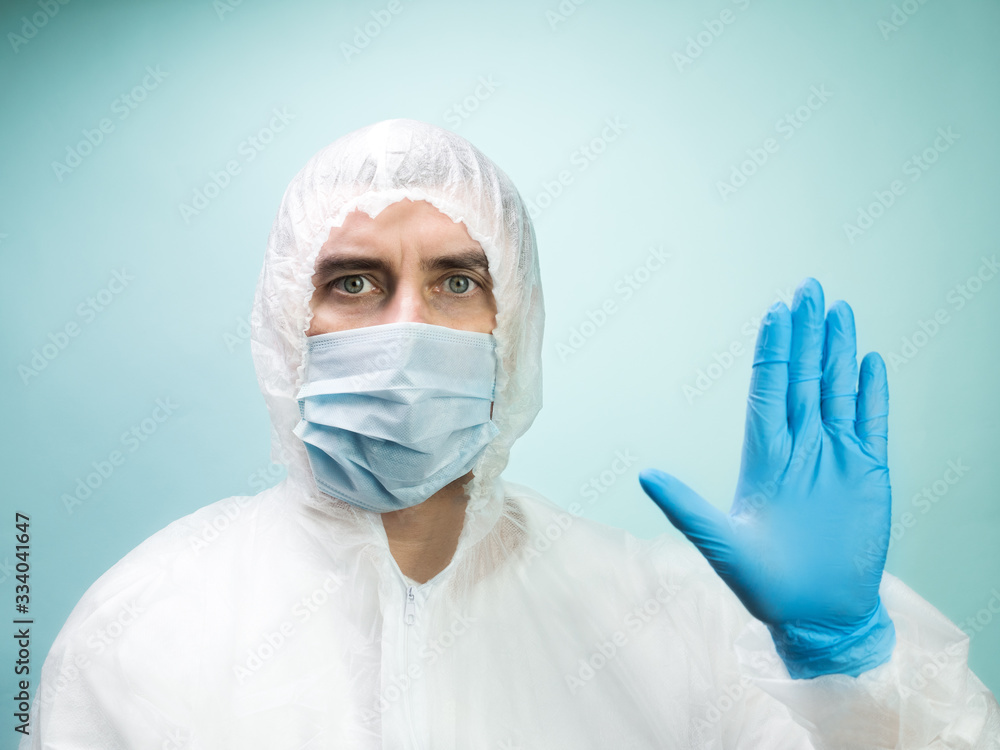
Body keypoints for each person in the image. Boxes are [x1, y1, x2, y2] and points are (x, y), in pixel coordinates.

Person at [22, 119, 999, 748]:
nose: (406, 324)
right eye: (354, 281)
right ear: (288, 324)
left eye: (457, 281)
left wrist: (848, 669)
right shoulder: (147, 622)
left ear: (514, 324)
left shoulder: (662, 623)